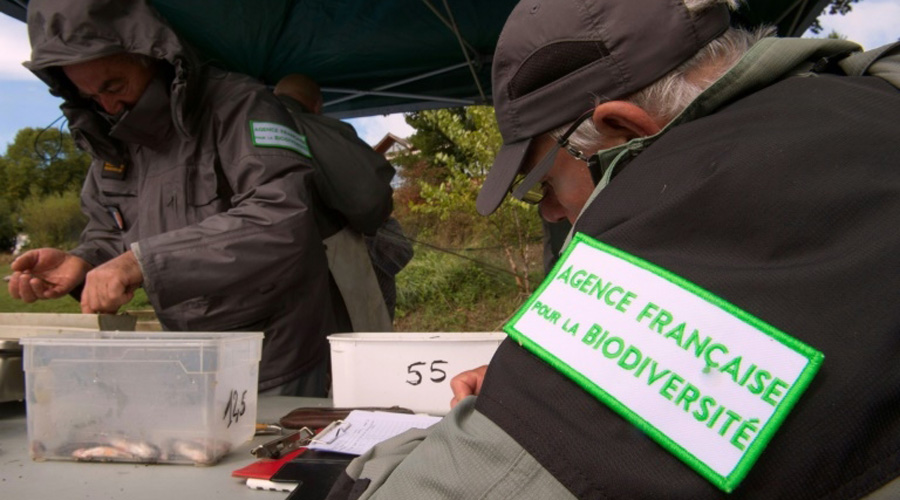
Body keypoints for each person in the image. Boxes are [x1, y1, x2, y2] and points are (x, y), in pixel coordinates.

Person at [325, 0, 900, 498]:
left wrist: (518, 413)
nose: (550, 211)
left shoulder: (698, 212)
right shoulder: (865, 107)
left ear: (624, 128)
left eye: (544, 183)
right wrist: (540, 383)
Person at [8, 0, 351, 396]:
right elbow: (111, 231)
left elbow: (282, 216)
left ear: (150, 56)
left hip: (278, 357)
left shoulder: (241, 105)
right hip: (193, 361)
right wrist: (81, 262)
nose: (106, 106)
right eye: (88, 95)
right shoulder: (110, 137)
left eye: (113, 85)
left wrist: (141, 263)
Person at [272, 74, 414, 324]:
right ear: (317, 106)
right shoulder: (317, 131)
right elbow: (370, 201)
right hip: (327, 284)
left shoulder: (235, 133)